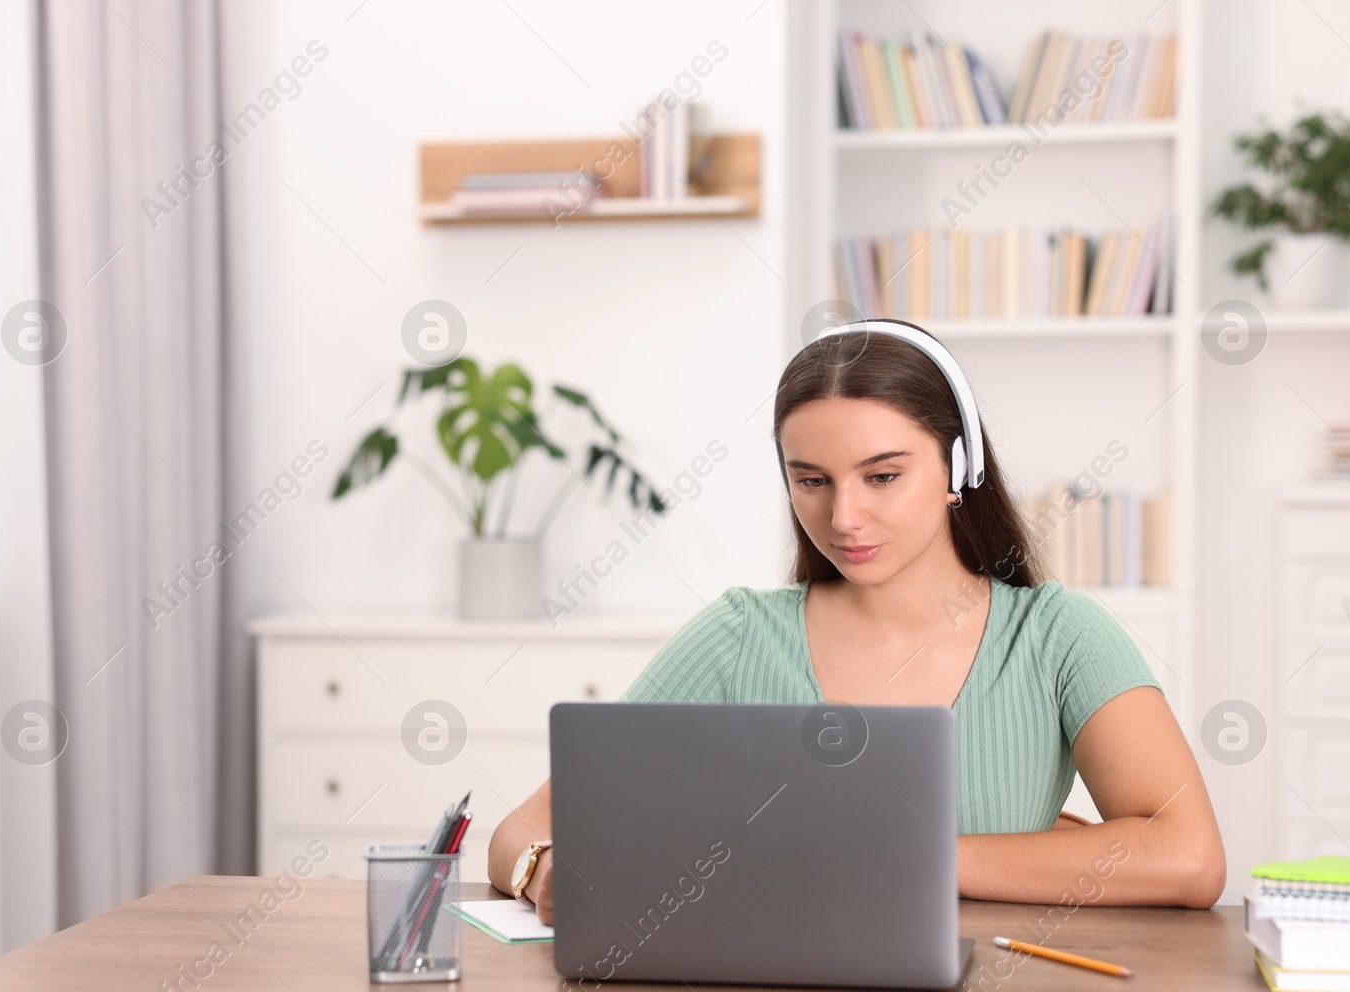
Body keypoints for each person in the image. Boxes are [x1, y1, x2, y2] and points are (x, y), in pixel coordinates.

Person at [488, 320, 1226, 924]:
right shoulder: (739, 634)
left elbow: (1189, 855)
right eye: (811, 481)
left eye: (882, 476)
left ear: (957, 471)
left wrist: (911, 853)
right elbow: (522, 827)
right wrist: (541, 871)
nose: (842, 518)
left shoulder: (1058, 635)